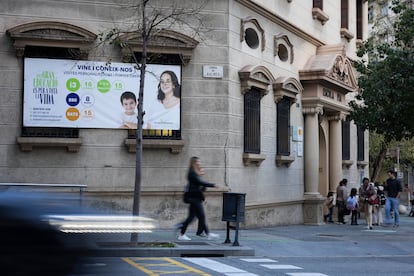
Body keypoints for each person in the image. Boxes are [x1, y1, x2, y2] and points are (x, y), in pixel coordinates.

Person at [176, 157, 219, 241]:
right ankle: (208, 234)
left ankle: (181, 232)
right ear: (194, 163)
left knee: (191, 217)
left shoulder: (195, 173)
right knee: (201, 216)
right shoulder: (192, 173)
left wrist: (203, 197)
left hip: (195, 198)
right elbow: (201, 183)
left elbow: (200, 186)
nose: (200, 163)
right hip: (194, 198)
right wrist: (213, 185)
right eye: (198, 162)